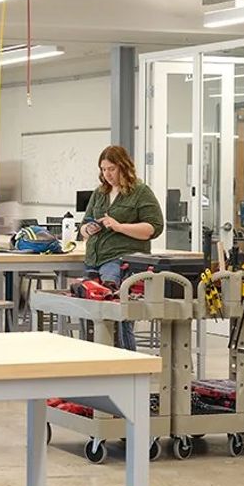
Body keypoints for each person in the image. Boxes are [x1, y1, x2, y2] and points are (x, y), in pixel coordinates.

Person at [79, 145, 164, 349]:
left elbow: (154, 227)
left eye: (111, 169)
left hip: (121, 261)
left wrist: (119, 227)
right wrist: (87, 229)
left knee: (119, 314)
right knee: (90, 315)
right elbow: (82, 226)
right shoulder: (100, 193)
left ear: (123, 167)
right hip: (94, 260)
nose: (106, 174)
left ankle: (127, 361)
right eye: (103, 169)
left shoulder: (140, 192)